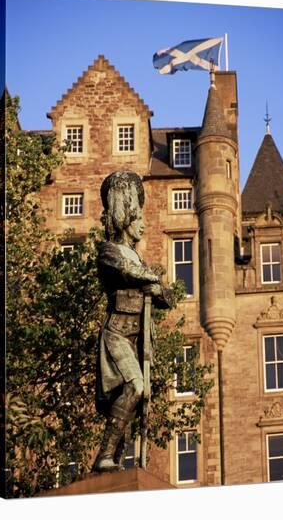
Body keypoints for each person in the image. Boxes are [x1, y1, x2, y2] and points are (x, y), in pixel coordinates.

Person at [93, 170, 173, 473]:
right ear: (126, 214)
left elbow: (166, 298)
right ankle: (104, 454)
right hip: (117, 333)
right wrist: (152, 280)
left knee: (136, 402)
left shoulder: (140, 259)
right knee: (135, 387)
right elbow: (127, 271)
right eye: (138, 214)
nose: (143, 221)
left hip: (140, 338)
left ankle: (115, 462)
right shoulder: (110, 251)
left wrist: (158, 288)